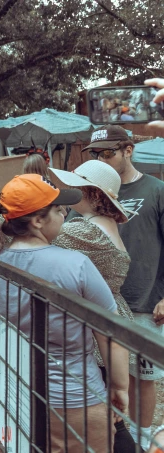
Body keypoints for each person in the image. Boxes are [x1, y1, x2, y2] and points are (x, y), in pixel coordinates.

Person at [0, 174, 130, 452]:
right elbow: (109, 331)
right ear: (38, 221)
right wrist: (119, 386)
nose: (64, 213)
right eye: (57, 209)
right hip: (77, 399)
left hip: (18, 398)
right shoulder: (77, 265)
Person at [85, 122, 164, 447]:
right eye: (95, 154)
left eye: (107, 153)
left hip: (147, 302)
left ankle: (144, 439)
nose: (101, 159)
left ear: (128, 150)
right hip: (105, 304)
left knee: (145, 377)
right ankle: (124, 437)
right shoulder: (93, 190)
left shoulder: (156, 189)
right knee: (117, 376)